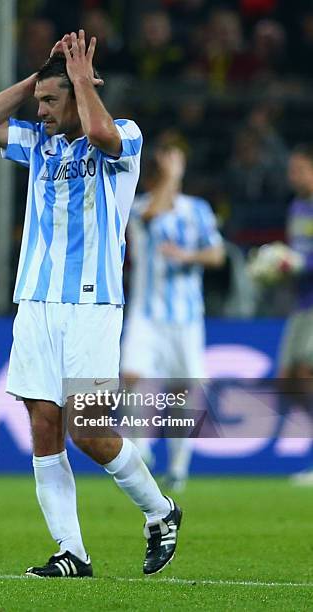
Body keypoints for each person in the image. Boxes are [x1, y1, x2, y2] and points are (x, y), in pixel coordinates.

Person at [0, 30, 182, 578]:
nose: (39, 112)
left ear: (82, 93)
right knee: (43, 423)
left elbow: (99, 131)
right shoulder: (39, 144)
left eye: (48, 102)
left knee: (88, 429)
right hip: (36, 300)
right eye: (38, 102)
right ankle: (72, 553)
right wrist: (39, 78)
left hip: (91, 302)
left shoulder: (123, 138)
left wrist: (80, 82)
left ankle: (161, 512)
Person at [121, 145, 225, 491]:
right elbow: (154, 216)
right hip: (146, 313)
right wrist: (172, 176)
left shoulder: (198, 209)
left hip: (188, 317)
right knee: (133, 377)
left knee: (185, 392)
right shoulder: (139, 207)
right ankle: (140, 447)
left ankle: (179, 467)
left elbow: (216, 255)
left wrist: (188, 255)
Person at [278, 145, 313, 486]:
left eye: (300, 170)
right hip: (301, 302)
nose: (293, 176)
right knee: (286, 379)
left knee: (304, 371)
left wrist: (301, 263)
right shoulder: (297, 207)